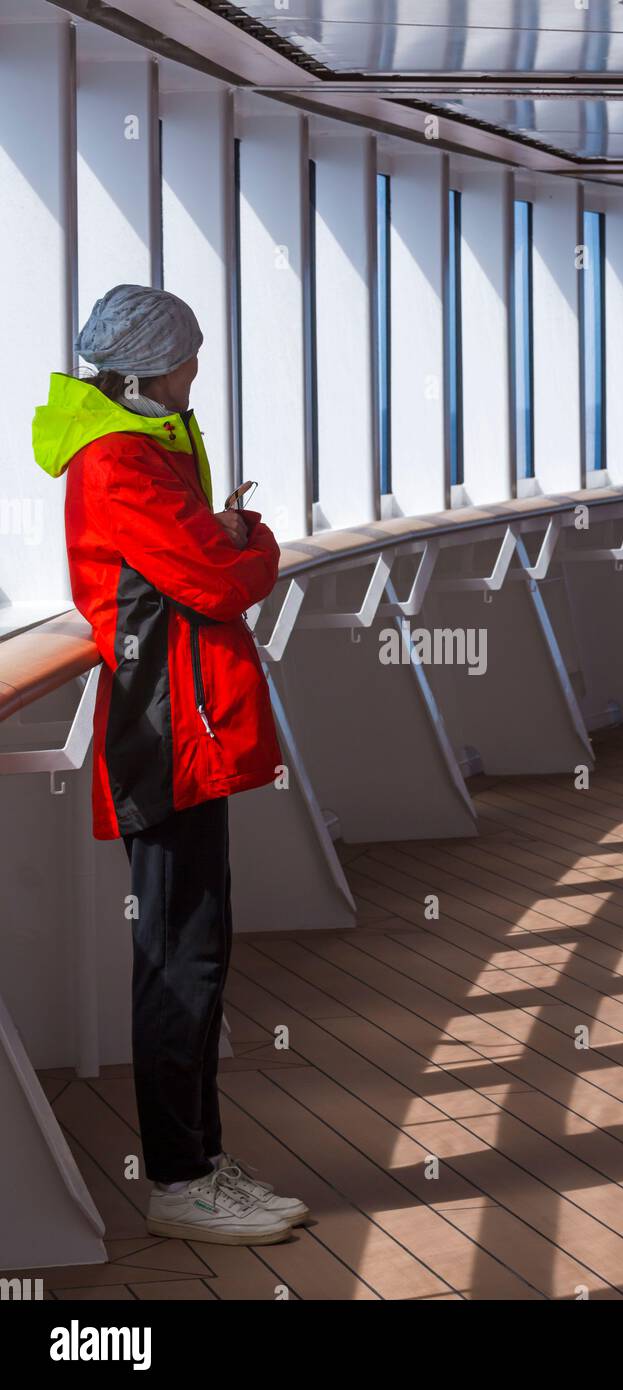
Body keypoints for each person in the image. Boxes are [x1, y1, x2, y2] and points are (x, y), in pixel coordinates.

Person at [33, 284, 308, 1246]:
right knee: (177, 960)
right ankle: (180, 1182)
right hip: (164, 736)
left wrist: (223, 541)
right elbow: (217, 580)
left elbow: (199, 568)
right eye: (188, 359)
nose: (197, 374)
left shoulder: (143, 451)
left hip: (181, 727)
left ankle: (198, 1162)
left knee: (197, 949)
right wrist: (251, 538)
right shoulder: (120, 465)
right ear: (151, 368)